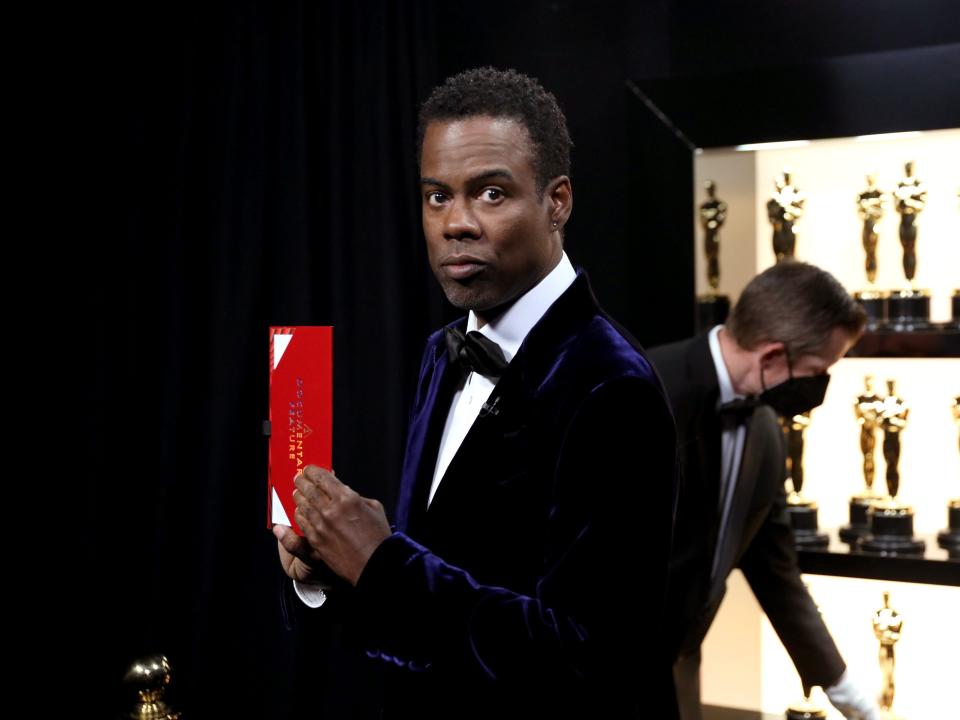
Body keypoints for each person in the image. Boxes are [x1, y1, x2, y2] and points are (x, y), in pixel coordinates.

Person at [273, 67, 680, 719]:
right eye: (437, 197)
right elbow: (434, 604)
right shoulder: (443, 351)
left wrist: (381, 564)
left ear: (558, 202)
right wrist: (336, 574)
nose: (455, 224)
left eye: (490, 194)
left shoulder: (613, 382)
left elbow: (593, 659)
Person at [648, 261, 881, 720]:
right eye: (818, 371)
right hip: (594, 679)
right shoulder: (640, 388)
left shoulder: (766, 430)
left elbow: (774, 565)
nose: (821, 387)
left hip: (680, 674)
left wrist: (844, 688)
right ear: (773, 357)